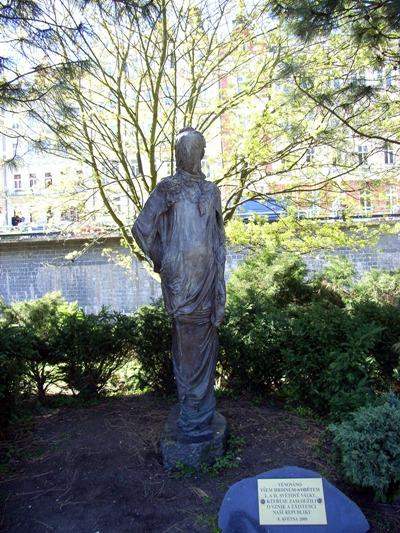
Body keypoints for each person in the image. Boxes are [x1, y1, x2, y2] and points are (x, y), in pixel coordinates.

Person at [132, 127, 226, 441]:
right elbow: (142, 228)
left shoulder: (211, 190)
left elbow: (218, 238)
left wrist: (218, 279)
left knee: (206, 346)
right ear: (178, 154)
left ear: (201, 153)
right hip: (182, 287)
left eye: (195, 149)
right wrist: (166, 260)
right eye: (184, 149)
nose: (189, 155)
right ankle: (192, 415)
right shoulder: (168, 188)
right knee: (187, 350)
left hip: (207, 283)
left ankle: (203, 411)